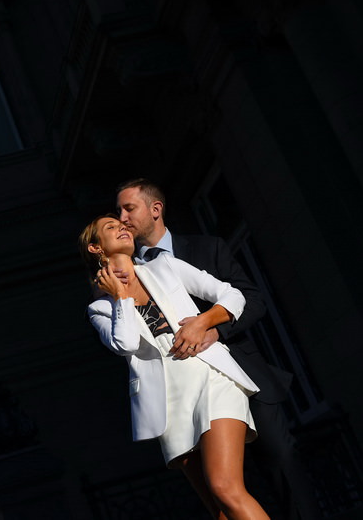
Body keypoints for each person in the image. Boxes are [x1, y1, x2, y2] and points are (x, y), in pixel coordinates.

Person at [116, 179, 323, 519]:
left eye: (129, 208)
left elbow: (252, 299)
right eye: (118, 211)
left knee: (281, 464)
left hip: (241, 374)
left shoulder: (206, 248)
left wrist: (212, 327)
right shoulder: (126, 275)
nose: (122, 217)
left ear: (156, 209)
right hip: (182, 392)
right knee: (220, 495)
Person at [82, 215, 270, 520]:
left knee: (225, 487)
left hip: (212, 378)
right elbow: (126, 343)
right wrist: (120, 296)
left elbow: (232, 294)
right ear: (95, 248)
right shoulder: (100, 308)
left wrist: (206, 322)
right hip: (168, 406)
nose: (122, 227)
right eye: (110, 227)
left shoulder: (165, 267)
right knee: (219, 510)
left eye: (122, 223)